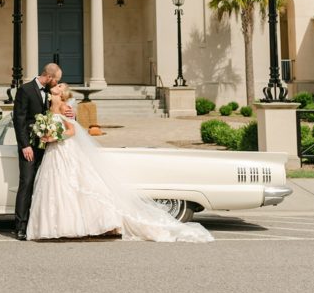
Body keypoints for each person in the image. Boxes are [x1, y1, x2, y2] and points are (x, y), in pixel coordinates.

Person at [26, 84, 213, 243]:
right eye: (56, 85)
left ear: (62, 93)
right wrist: (46, 135)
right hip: (54, 153)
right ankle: (57, 225)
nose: (56, 86)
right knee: (57, 188)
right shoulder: (48, 107)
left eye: (59, 86)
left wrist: (55, 137)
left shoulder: (64, 107)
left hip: (63, 149)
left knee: (74, 184)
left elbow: (72, 131)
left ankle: (91, 223)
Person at [11, 63, 74, 240]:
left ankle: (38, 223)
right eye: (56, 80)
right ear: (49, 77)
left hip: (49, 148)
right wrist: (25, 145)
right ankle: (20, 226)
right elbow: (19, 120)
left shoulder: (51, 92)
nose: (56, 84)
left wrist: (69, 113)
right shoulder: (25, 90)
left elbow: (59, 114)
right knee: (27, 182)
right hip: (30, 146)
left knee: (45, 186)